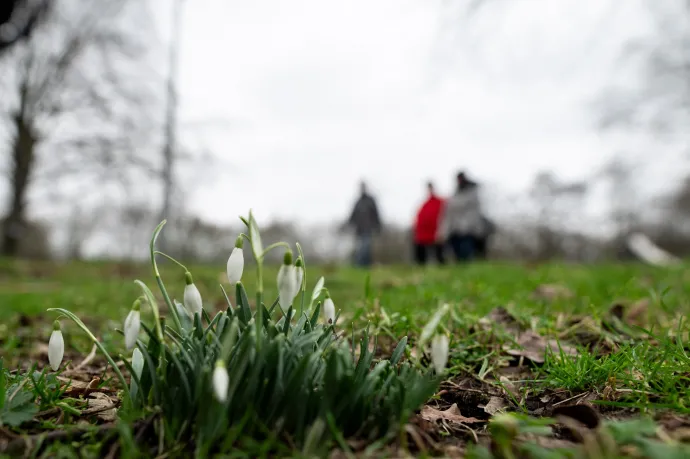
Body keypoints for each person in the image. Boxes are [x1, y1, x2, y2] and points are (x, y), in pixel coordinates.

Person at [437, 171, 486, 262]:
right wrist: (443, 231)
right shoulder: (454, 195)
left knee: (466, 254)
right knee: (457, 255)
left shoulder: (473, 193)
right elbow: (448, 215)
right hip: (454, 230)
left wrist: (474, 228)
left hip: (468, 230)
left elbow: (475, 214)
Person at [342, 181, 381, 267]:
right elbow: (352, 215)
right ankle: (361, 265)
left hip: (368, 228)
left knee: (366, 247)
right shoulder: (358, 202)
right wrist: (347, 225)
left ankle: (363, 265)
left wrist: (378, 226)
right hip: (359, 229)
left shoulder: (370, 201)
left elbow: (376, 214)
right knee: (360, 247)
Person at [412, 181, 445, 265]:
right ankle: (420, 265)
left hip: (436, 231)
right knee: (421, 253)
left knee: (439, 253)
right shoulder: (425, 204)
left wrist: (442, 230)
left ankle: (441, 265)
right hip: (423, 233)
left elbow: (445, 216)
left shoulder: (440, 202)